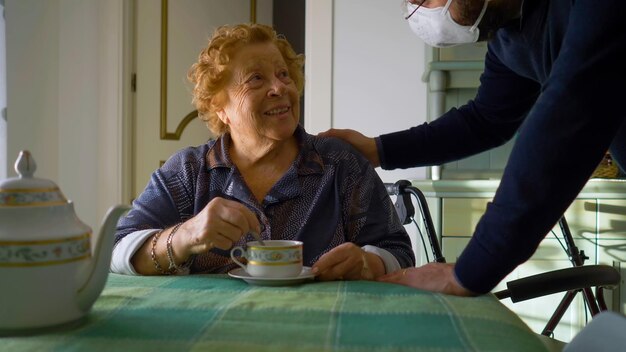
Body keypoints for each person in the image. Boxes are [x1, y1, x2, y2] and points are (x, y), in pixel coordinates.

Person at [321, 0, 626, 296]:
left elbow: (570, 110)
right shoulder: (509, 38)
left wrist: (469, 272)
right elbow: (485, 120)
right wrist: (379, 150)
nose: (417, 13)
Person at [111, 23, 415, 279]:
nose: (279, 88)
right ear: (220, 107)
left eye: (284, 75)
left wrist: (367, 262)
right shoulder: (189, 172)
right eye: (256, 78)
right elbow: (117, 249)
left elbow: (399, 251)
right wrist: (184, 237)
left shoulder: (340, 163)